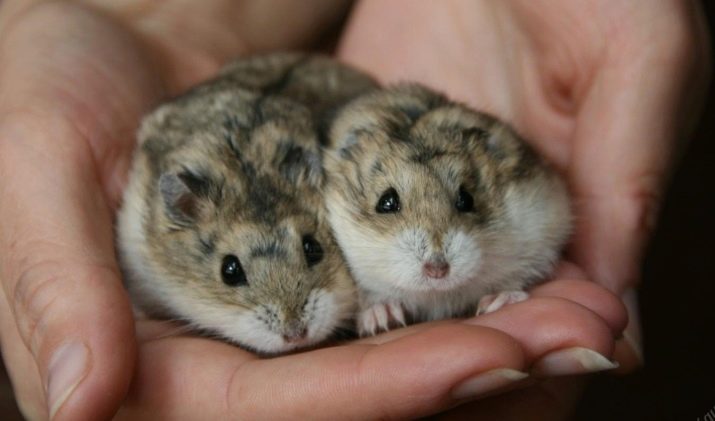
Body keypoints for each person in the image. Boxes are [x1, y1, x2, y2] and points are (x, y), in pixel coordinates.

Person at [0, 0, 707, 419]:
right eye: (234, 271)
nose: (292, 322)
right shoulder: (175, 203)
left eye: (313, 249)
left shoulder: (364, 174)